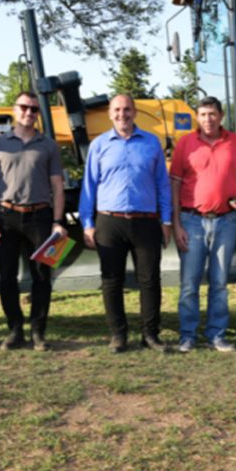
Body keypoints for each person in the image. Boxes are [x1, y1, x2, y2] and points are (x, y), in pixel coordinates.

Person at [79, 94, 172, 353]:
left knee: (150, 280)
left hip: (146, 222)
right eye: (117, 110)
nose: (123, 114)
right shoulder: (98, 145)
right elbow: (89, 187)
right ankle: (118, 335)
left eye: (127, 109)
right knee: (111, 280)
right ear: (110, 114)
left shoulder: (152, 143)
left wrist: (166, 220)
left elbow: (162, 185)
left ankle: (150, 335)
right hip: (110, 222)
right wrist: (87, 223)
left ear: (135, 112)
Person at [0, 91, 67, 352]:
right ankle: (15, 330)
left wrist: (58, 221)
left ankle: (38, 333)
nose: (29, 113)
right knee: (7, 277)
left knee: (43, 276)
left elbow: (58, 185)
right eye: (24, 107)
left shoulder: (49, 145)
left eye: (34, 109)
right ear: (14, 109)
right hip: (6, 217)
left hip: (41, 217)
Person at [170, 97, 236, 353]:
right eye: (203, 114)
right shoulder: (185, 143)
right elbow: (174, 185)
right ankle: (188, 336)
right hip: (191, 221)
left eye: (212, 114)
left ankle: (217, 335)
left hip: (227, 220)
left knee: (219, 282)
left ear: (221, 115)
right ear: (197, 117)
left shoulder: (235, 141)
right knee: (189, 283)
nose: (208, 119)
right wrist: (176, 224)